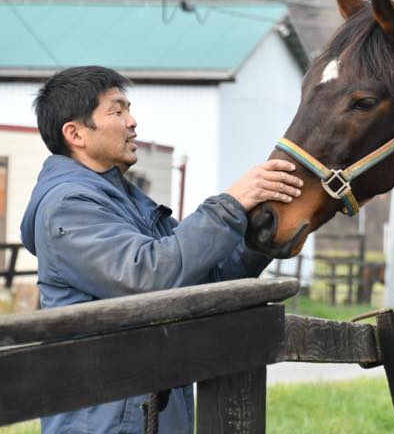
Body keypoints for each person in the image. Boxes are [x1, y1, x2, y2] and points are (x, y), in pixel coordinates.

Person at [19, 65, 302, 434]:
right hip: (106, 424)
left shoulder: (129, 202)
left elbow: (205, 279)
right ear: (75, 134)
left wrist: (265, 234)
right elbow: (150, 277)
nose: (132, 121)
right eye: (117, 111)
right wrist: (231, 203)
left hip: (147, 415)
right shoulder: (68, 206)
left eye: (129, 109)